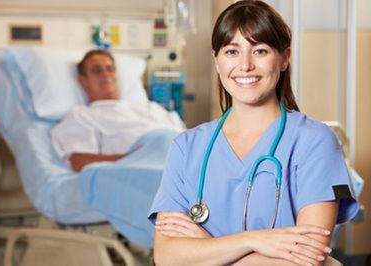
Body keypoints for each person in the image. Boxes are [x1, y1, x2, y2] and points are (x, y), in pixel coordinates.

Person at [148, 1, 359, 265]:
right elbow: (167, 257)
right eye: (232, 51)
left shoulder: (314, 141)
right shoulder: (186, 147)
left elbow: (309, 257)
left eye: (260, 51)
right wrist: (252, 240)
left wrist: (207, 249)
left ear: (284, 58)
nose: (245, 65)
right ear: (216, 61)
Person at [51, 49, 185, 172]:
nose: (106, 74)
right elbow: (79, 161)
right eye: (97, 70)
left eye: (110, 69)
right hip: (144, 169)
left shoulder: (152, 109)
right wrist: (134, 157)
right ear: (83, 81)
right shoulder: (82, 115)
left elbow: (189, 143)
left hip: (181, 162)